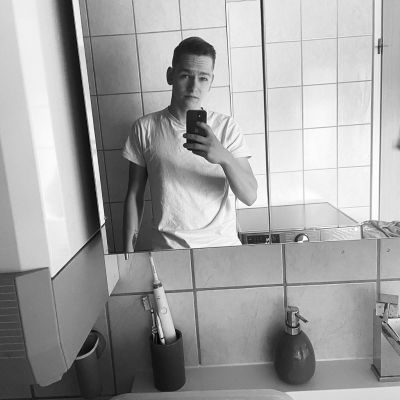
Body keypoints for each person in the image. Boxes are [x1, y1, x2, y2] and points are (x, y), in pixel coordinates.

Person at [122, 37, 257, 251]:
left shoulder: (226, 127)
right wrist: (127, 256)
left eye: (203, 78)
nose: (194, 87)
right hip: (168, 251)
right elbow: (134, 195)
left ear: (211, 81)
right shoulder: (145, 128)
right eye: (186, 75)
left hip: (223, 248)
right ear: (170, 75)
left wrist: (224, 157)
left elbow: (249, 196)